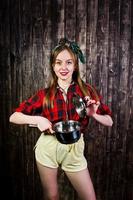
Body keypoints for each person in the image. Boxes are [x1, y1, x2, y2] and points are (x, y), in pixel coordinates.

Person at [9, 38, 113, 200]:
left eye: (69, 62)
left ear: (75, 65)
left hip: (74, 149)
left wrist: (93, 114)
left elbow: (109, 121)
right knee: (51, 196)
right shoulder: (44, 94)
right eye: (58, 63)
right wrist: (38, 120)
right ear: (53, 66)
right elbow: (13, 117)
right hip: (48, 147)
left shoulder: (87, 91)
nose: (63, 67)